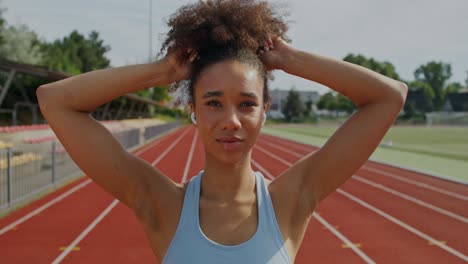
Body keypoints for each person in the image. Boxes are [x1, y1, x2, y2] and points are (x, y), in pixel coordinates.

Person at [36, 0, 407, 263]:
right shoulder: (163, 206)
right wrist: (162, 72)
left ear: (265, 110)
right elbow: (55, 101)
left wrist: (289, 58)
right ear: (192, 109)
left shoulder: (290, 202)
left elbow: (389, 97)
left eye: (246, 103)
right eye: (213, 102)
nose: (231, 120)